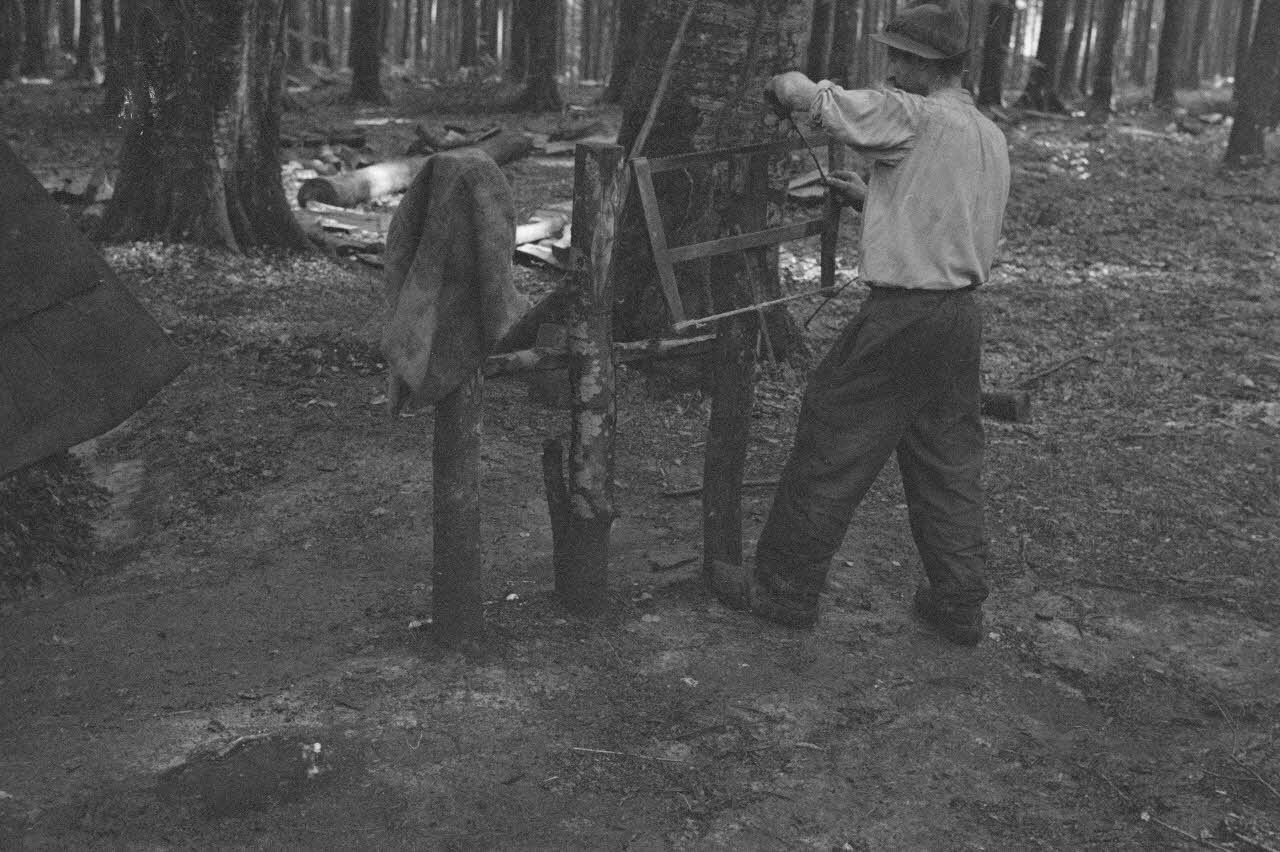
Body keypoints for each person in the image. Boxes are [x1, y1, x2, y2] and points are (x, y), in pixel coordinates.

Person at [725, 2, 1011, 646]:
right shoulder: (986, 135)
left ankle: (783, 590)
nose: (887, 67)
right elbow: (948, 211)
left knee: (834, 432)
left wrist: (786, 84)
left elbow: (820, 101)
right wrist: (873, 197)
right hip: (958, 318)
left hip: (904, 316)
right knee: (947, 458)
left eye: (896, 57)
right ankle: (959, 603)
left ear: (920, 63)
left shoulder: (912, 113)